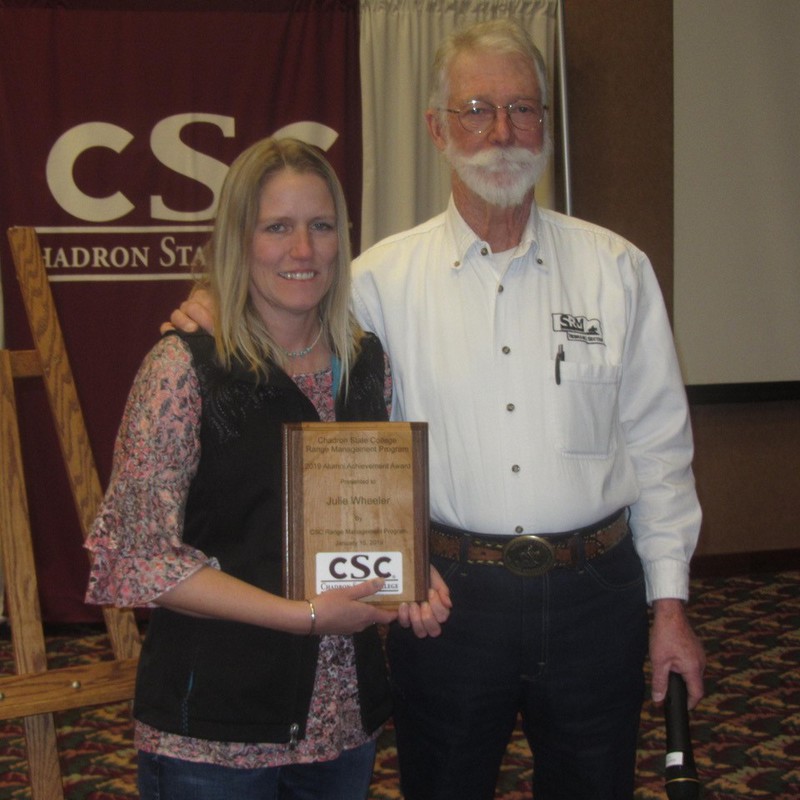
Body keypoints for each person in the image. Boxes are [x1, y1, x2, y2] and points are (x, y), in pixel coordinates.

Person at [169, 18, 706, 800]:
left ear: (545, 126)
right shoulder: (380, 280)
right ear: (436, 128)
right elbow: (287, 311)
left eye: (524, 109)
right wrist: (213, 297)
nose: (503, 131)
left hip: (598, 597)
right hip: (446, 602)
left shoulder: (616, 269)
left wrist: (671, 608)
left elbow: (662, 449)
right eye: (477, 109)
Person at [86, 136, 448, 800]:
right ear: (239, 240)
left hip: (342, 725)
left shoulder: (366, 363)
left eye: (320, 226)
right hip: (213, 733)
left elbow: (367, 515)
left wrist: (409, 566)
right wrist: (306, 615)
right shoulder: (183, 368)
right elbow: (135, 560)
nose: (303, 250)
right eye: (277, 227)